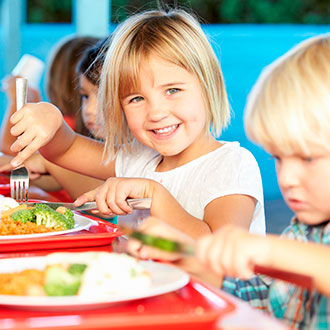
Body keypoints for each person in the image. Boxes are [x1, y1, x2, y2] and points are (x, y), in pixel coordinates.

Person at [8, 9, 265, 238]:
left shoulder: (232, 165)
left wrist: (154, 194)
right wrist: (52, 120)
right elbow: (65, 149)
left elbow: (220, 249)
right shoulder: (139, 158)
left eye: (172, 90)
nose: (155, 112)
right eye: (137, 98)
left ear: (209, 88)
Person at [131, 34, 330, 329]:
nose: (287, 178)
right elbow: (268, 301)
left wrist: (268, 250)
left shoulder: (299, 249)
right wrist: (193, 258)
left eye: (308, 159)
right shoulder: (305, 231)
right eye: (278, 158)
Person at [0, 36, 100, 200]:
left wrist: (17, 102)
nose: (90, 109)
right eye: (85, 96)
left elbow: (11, 149)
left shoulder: (64, 128)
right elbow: (53, 178)